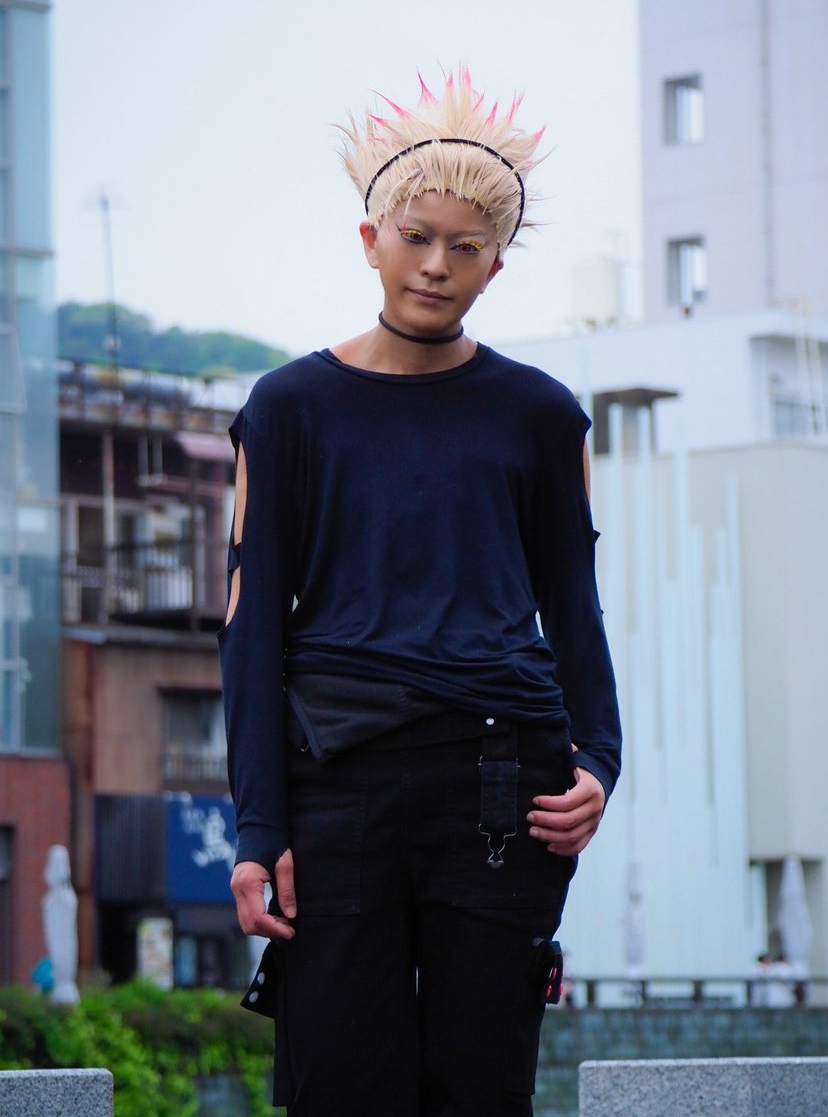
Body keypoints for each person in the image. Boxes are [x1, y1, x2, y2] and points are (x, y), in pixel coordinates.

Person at [220, 68, 621, 1117]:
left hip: (504, 779)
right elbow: (249, 630)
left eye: (466, 247)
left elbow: (574, 607)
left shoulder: (541, 414)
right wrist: (257, 828)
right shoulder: (287, 408)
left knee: (482, 1087)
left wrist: (600, 759)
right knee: (337, 1086)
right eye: (416, 237)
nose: (437, 265)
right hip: (336, 779)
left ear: (496, 262)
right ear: (371, 240)